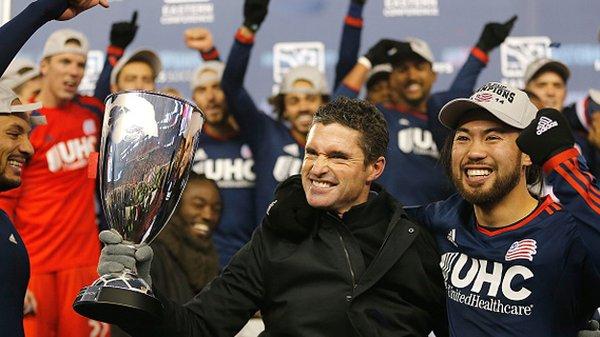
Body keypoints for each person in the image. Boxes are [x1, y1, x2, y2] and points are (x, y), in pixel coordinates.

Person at [97, 96, 448, 337]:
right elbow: (198, 327)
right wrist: (140, 297)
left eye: (338, 156)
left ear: (375, 168)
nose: (318, 168)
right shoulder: (275, 237)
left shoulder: (413, 238)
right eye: (312, 153)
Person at [407, 81, 600, 336]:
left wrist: (564, 164)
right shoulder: (438, 219)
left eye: (493, 137)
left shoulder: (568, 233)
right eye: (463, 138)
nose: (475, 151)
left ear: (528, 153)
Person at [335, 17, 516, 206]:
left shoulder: (446, 118)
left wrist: (482, 48)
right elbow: (335, 117)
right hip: (387, 227)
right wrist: (367, 60)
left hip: (440, 226)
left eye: (419, 67)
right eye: (403, 69)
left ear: (433, 75)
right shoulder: (378, 117)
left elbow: (461, 88)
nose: (411, 76)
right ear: (391, 79)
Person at [0, 27, 110, 337]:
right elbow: (6, 199)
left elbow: (90, 174)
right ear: (45, 65)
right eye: (65, 62)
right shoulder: (22, 123)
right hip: (35, 264)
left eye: (80, 65)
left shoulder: (91, 114)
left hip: (83, 263)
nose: (73, 72)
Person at [221, 0, 334, 223]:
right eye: (293, 100)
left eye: (310, 98)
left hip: (322, 250)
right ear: (284, 109)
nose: (303, 106)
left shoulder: (337, 147)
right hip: (270, 251)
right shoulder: (265, 134)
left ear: (324, 103)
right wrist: (248, 30)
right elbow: (231, 86)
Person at [183, 26, 257, 267]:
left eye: (217, 88)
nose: (211, 97)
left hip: (253, 264)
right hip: (199, 265)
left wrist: (210, 53)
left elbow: (233, 83)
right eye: (202, 90)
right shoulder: (187, 145)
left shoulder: (258, 137)